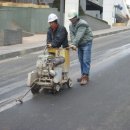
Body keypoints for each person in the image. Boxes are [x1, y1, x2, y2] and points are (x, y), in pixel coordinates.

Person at [68, 10, 93, 85]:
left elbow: (79, 35)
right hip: (80, 44)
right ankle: (83, 75)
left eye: (72, 18)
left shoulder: (82, 24)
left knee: (86, 60)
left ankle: (85, 76)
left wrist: (74, 44)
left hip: (86, 42)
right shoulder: (71, 25)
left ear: (76, 17)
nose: (71, 20)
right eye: (70, 19)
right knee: (81, 60)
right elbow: (72, 35)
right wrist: (73, 44)